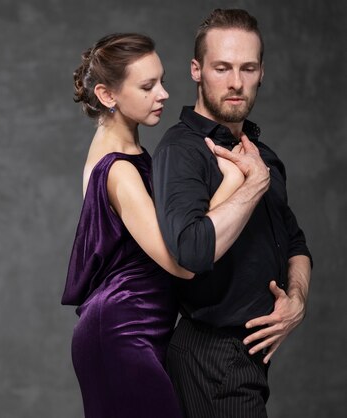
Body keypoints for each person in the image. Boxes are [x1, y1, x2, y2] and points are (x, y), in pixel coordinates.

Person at [61, 33, 269, 418]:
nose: (164, 94)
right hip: (123, 331)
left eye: (162, 81)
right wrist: (234, 182)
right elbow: (182, 261)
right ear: (108, 96)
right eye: (147, 86)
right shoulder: (118, 169)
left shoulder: (128, 152)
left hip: (139, 326)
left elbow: (182, 238)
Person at [152, 9, 313, 417]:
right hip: (210, 356)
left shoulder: (265, 158)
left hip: (248, 358)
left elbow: (295, 242)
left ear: (262, 73)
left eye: (248, 68)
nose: (236, 82)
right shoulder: (182, 150)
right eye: (222, 67)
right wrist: (252, 186)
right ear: (196, 70)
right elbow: (189, 250)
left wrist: (296, 299)